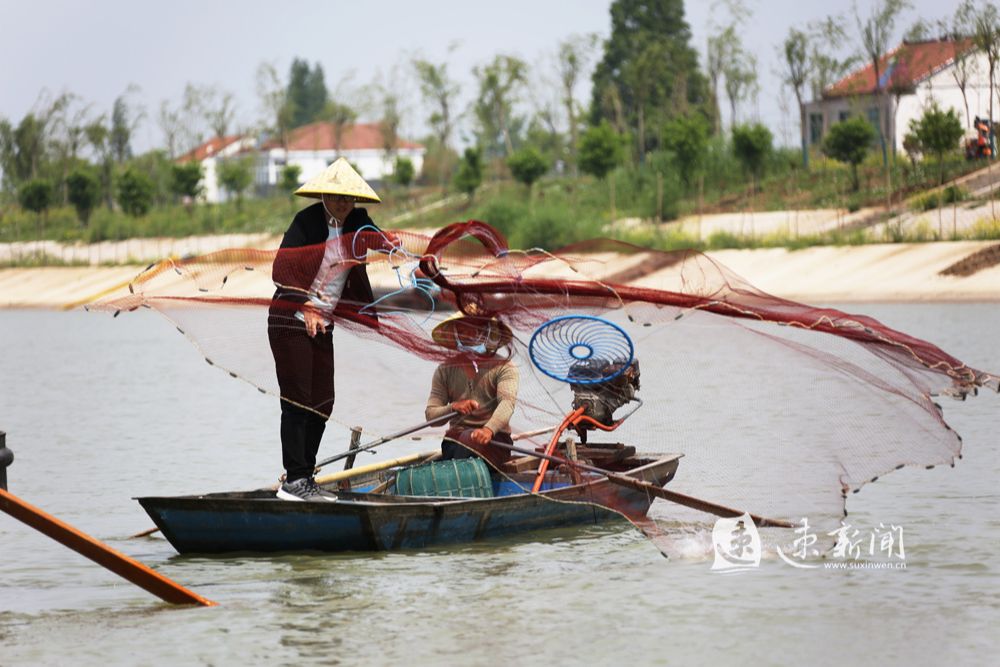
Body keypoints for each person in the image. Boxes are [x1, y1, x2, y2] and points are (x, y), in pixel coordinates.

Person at [268, 158, 382, 501]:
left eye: (349, 198)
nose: (343, 203)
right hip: (291, 318)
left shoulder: (357, 222)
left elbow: (383, 242)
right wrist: (305, 304)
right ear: (324, 196)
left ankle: (306, 478)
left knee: (323, 402)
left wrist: (412, 256)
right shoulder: (307, 222)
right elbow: (282, 268)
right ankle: (295, 481)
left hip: (323, 324)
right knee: (297, 399)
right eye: (336, 197)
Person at [424, 311, 519, 469]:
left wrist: (488, 430)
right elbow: (431, 416)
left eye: (476, 331)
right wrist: (453, 407)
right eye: (462, 331)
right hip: (455, 442)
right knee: (463, 440)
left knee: (468, 441)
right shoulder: (444, 369)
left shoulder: (504, 367)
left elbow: (507, 404)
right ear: (455, 335)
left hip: (495, 441)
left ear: (489, 334)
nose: (469, 336)